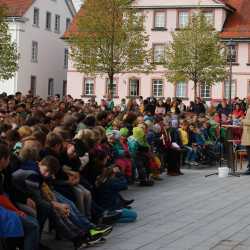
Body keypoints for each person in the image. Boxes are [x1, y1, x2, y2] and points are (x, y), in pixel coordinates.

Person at [241, 107, 250, 175]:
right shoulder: (249, 108)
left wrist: (243, 120)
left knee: (249, 151)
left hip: (249, 134)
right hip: (247, 134)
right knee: (248, 150)